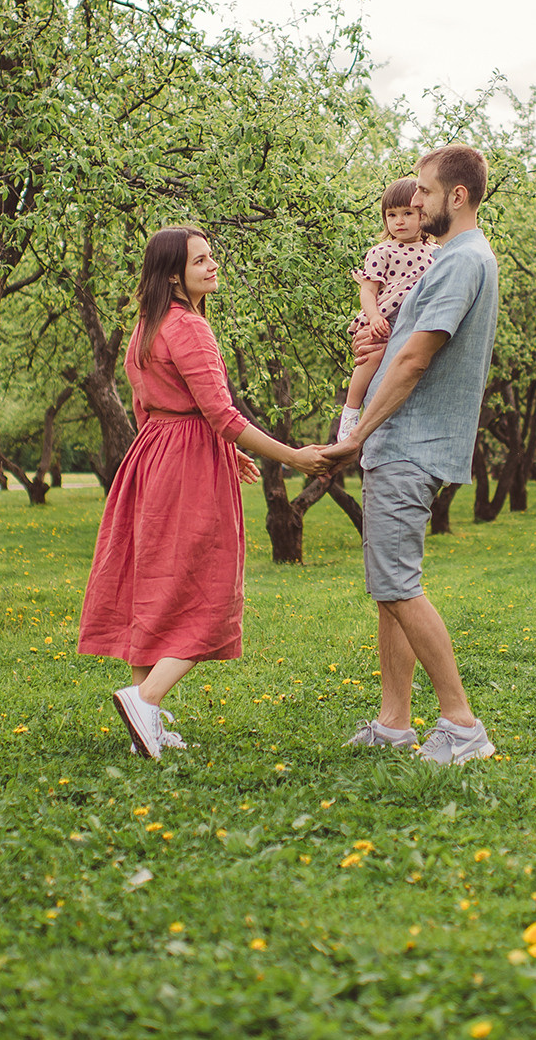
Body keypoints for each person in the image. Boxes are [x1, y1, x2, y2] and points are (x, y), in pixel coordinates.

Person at [78, 227, 330, 760]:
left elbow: (147, 405)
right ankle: (144, 698)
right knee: (209, 591)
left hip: (153, 455)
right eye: (201, 260)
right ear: (174, 274)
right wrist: (293, 456)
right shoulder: (188, 327)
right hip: (188, 462)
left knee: (155, 584)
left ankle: (143, 719)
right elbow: (222, 413)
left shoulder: (146, 326)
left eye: (212, 257)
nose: (213, 266)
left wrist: (222, 447)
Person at [322, 143, 500, 765]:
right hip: (406, 442)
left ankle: (461, 723)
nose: (413, 201)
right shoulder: (454, 260)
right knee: (389, 587)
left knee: (398, 584)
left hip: (409, 442)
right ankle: (394, 722)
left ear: (456, 196)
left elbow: (416, 358)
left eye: (422, 192)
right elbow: (401, 341)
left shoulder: (457, 262)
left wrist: (355, 435)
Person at [338, 177, 437, 442]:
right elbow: (368, 290)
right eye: (391, 215)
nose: (399, 221)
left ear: (422, 214)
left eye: (407, 213)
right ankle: (350, 410)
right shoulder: (382, 251)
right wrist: (374, 317)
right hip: (384, 316)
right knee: (372, 355)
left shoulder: (436, 252)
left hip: (414, 321)